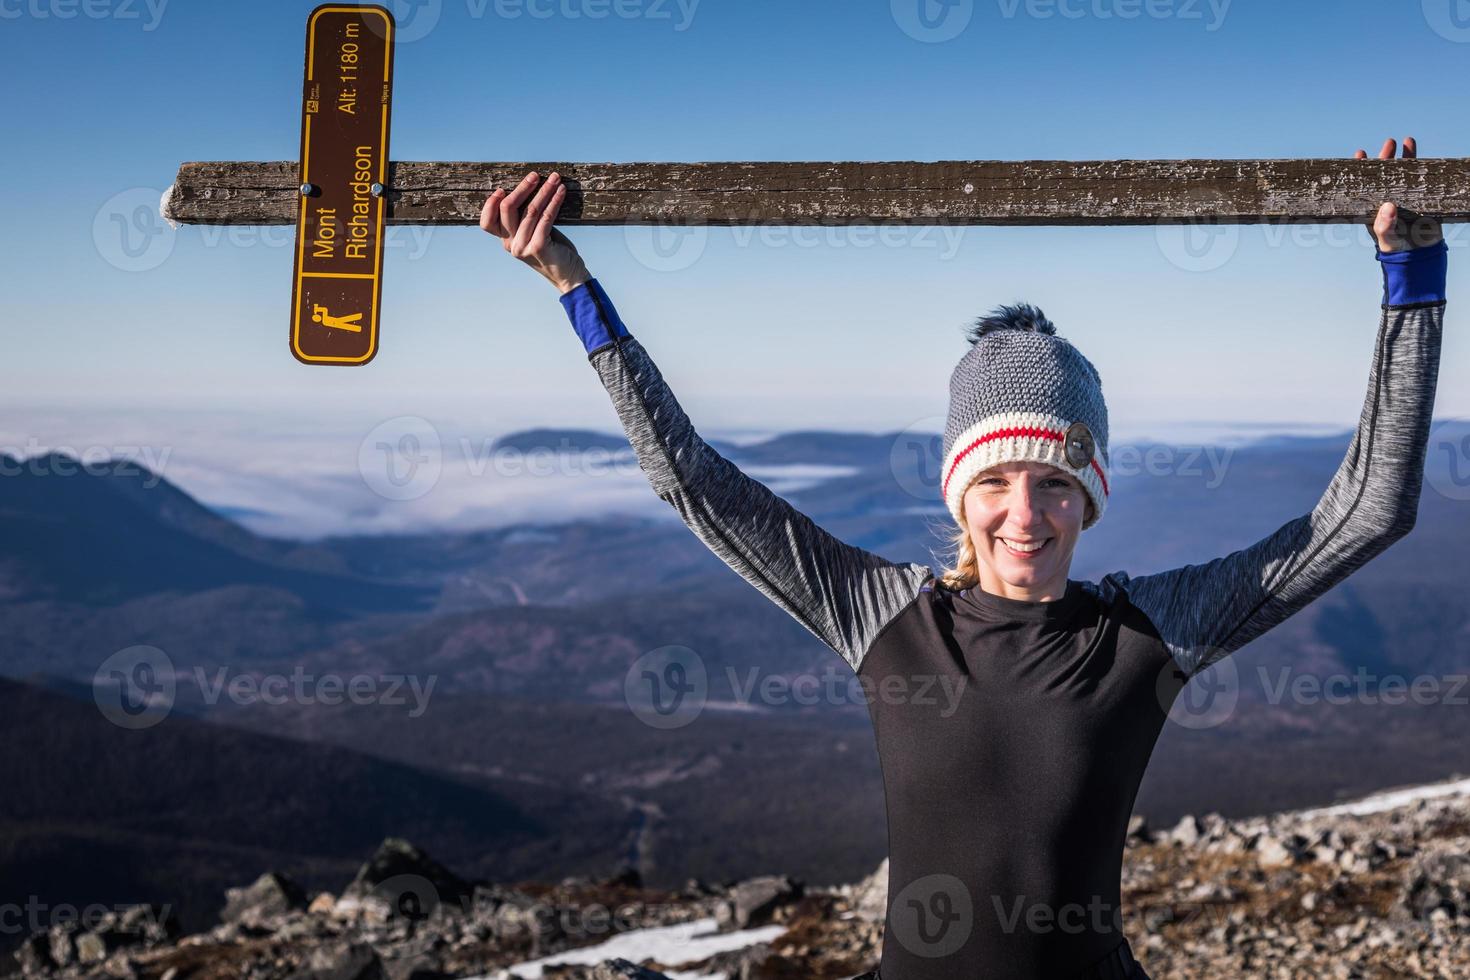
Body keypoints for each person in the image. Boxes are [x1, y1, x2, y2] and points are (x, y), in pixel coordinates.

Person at [479, 137, 1447, 979]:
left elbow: (1365, 512)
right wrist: (575, 285)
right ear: (957, 491)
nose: (1024, 513)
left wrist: (1412, 280)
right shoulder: (886, 616)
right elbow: (692, 479)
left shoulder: (1147, 634)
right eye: (995, 482)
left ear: (1091, 498)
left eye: (1055, 484)